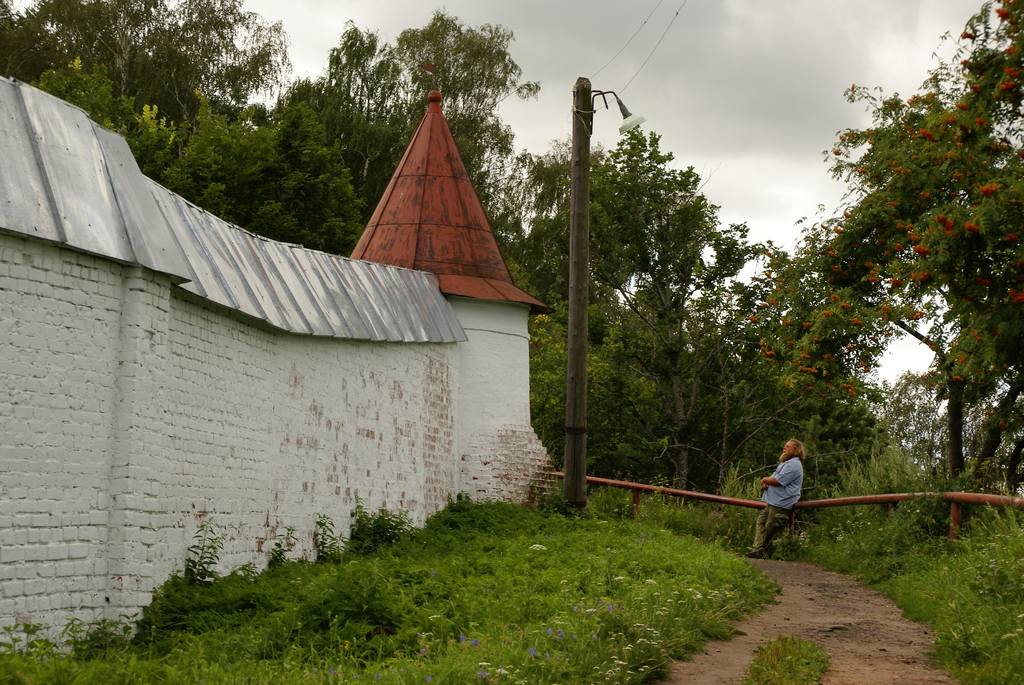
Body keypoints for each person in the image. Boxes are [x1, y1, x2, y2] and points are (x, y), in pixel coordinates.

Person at [746, 438, 805, 559]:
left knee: (771, 530)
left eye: (787, 446)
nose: (784, 448)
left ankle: (764, 556)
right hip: (773, 502)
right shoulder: (786, 463)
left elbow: (778, 481)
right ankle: (757, 550)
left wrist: (764, 479)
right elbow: (773, 478)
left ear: (795, 449)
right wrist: (766, 482)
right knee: (762, 524)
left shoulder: (793, 464)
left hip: (781, 504)